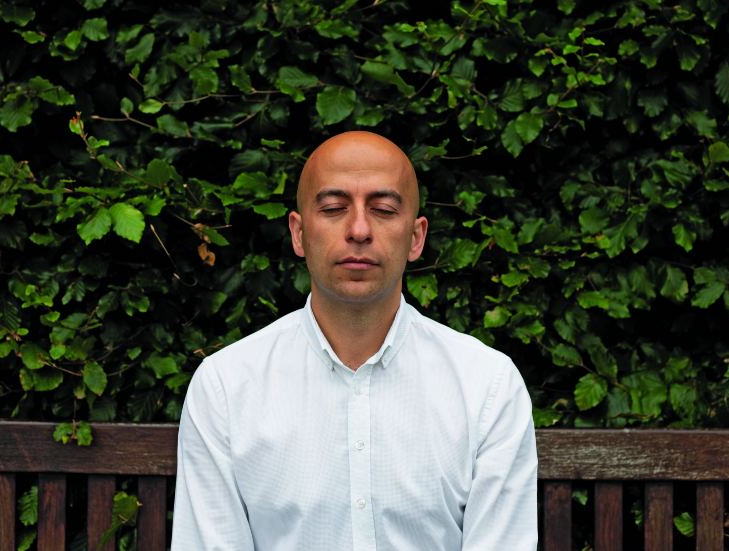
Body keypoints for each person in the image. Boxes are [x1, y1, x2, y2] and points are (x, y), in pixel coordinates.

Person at [171, 131, 537, 550]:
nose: (359, 229)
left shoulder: (486, 386)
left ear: (416, 237)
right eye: (333, 208)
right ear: (298, 233)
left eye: (382, 209)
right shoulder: (226, 387)